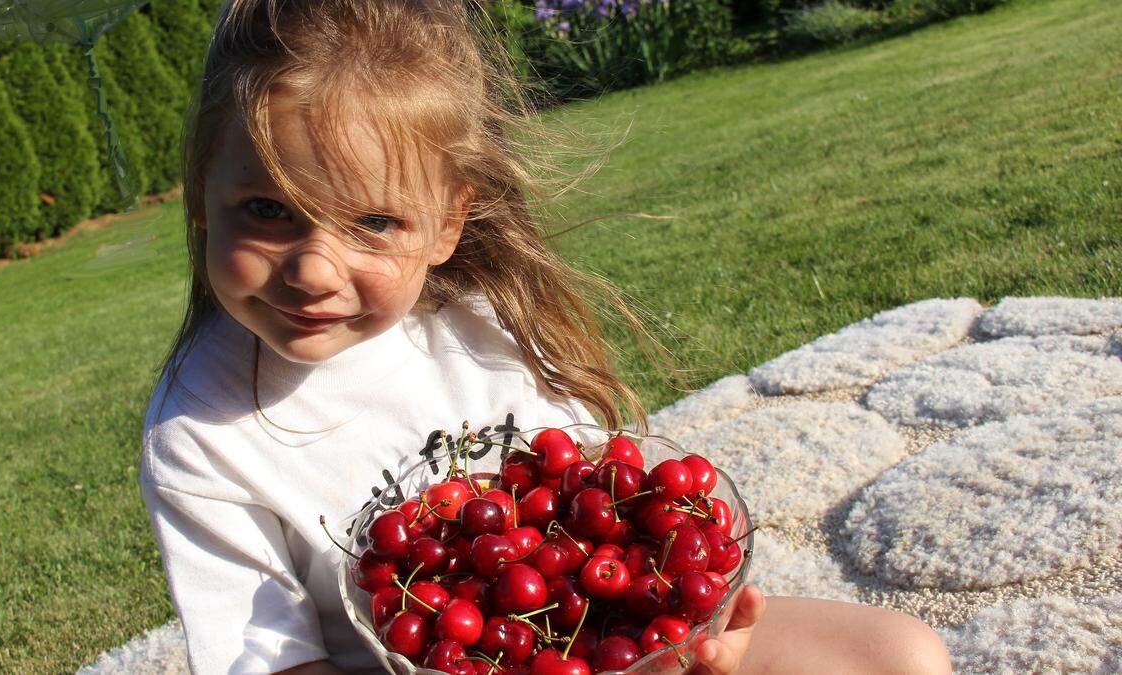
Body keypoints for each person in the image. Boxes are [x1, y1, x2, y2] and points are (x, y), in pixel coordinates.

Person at [140, 0, 953, 673]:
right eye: (268, 211)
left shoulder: (477, 325)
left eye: (374, 221)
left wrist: (690, 631)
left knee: (900, 653)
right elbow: (273, 662)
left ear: (447, 223)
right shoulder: (201, 436)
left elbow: (614, 523)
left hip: (603, 645)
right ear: (202, 196)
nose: (315, 268)